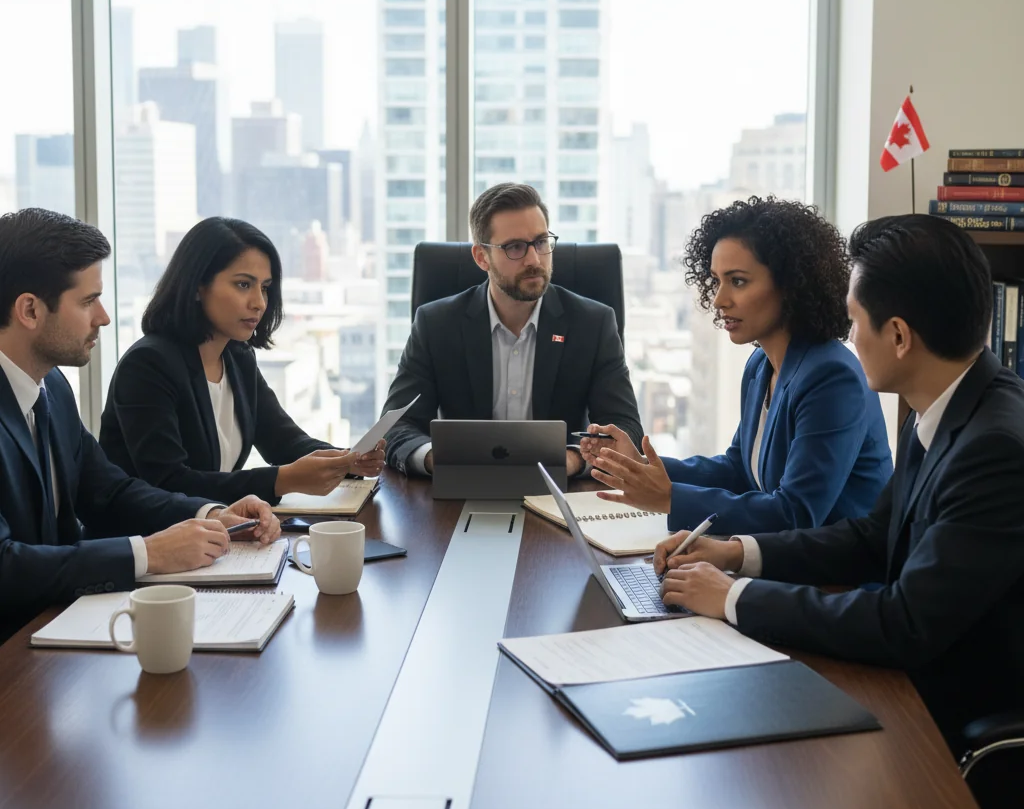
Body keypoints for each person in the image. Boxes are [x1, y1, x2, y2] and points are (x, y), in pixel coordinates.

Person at [654, 214, 1024, 751]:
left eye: (854, 321)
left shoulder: (993, 449)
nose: (848, 337)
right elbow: (871, 538)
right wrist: (736, 553)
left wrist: (735, 596)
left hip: (948, 718)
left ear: (897, 335)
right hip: (908, 681)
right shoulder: (950, 406)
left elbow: (905, 625)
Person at [0, 208, 279, 642]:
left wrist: (211, 515)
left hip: (57, 626)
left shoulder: (51, 386)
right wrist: (146, 553)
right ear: (30, 310)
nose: (104, 318)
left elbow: (110, 491)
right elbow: (5, 566)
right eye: (89, 301)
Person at [583, 196, 891, 534]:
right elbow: (738, 470)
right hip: (784, 563)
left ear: (791, 284)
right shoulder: (761, 365)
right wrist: (638, 466)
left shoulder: (832, 377)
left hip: (837, 577)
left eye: (738, 281)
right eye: (716, 280)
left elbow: (795, 514)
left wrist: (670, 498)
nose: (718, 299)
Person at [100, 217, 384, 506]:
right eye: (243, 284)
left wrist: (348, 459)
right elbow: (169, 483)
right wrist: (282, 479)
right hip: (147, 540)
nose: (259, 302)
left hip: (215, 535)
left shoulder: (238, 357)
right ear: (198, 285)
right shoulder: (148, 365)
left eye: (264, 287)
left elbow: (284, 442)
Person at [381, 182, 643, 477]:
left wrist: (571, 462)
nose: (534, 259)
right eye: (515, 247)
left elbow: (626, 429)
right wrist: (437, 459)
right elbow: (396, 427)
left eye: (541, 242)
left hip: (561, 493)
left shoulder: (593, 324)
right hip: (460, 491)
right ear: (482, 257)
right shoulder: (436, 324)